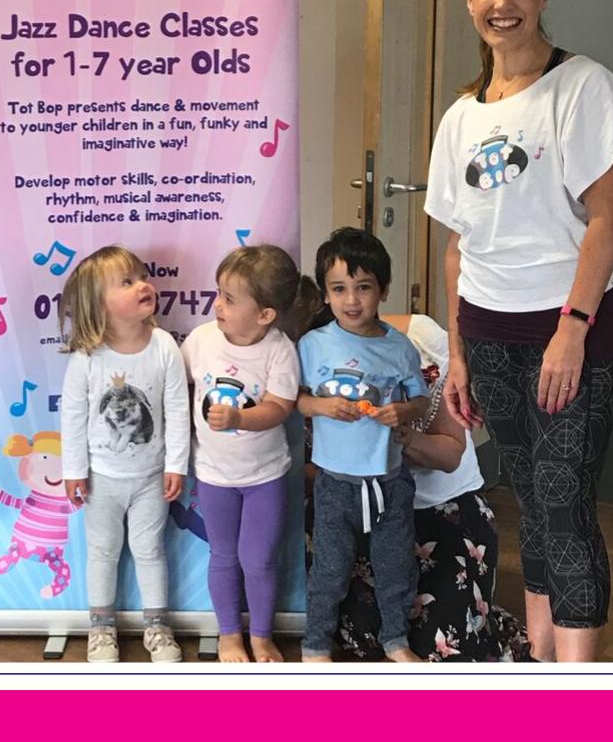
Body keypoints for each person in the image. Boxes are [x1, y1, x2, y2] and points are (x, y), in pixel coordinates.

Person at [425, 0, 613, 663]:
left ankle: (582, 684)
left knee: (567, 504)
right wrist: (455, 352)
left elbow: (610, 215)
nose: (502, 4)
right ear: (468, 2)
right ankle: (541, 661)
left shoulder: (584, 87)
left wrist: (574, 326)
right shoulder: (461, 116)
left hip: (569, 330)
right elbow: (457, 246)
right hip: (485, 332)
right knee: (534, 505)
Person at [336, 313, 529, 662]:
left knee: (445, 644)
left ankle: (485, 621)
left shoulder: (422, 341)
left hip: (443, 506)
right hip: (370, 509)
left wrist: (399, 436)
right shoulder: (305, 362)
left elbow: (449, 453)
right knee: (363, 638)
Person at [297, 228, 429, 663]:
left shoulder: (400, 348)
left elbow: (420, 398)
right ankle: (316, 645)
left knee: (396, 567)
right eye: (339, 289)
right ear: (325, 295)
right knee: (330, 569)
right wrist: (322, 405)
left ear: (383, 290)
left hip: (390, 482)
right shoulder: (312, 345)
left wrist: (403, 412)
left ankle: (396, 640)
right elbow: (294, 399)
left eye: (363, 288)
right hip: (334, 485)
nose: (351, 300)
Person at [59, 246, 190, 663]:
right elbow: (74, 417)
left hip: (152, 477)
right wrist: (74, 470)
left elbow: (177, 409)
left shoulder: (165, 346)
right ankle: (100, 627)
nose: (143, 285)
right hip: (101, 480)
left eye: (142, 276)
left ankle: (157, 624)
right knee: (103, 550)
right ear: (99, 304)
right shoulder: (87, 357)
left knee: (150, 548)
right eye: (127, 281)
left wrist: (175, 465)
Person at [181, 245, 303, 663]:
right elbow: (176, 387)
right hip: (213, 475)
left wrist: (238, 419)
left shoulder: (279, 350)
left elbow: (278, 407)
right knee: (223, 555)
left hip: (264, 477)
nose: (217, 305)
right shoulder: (201, 340)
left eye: (230, 299)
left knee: (259, 559)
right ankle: (229, 634)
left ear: (265, 314)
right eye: (218, 294)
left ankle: (262, 635)